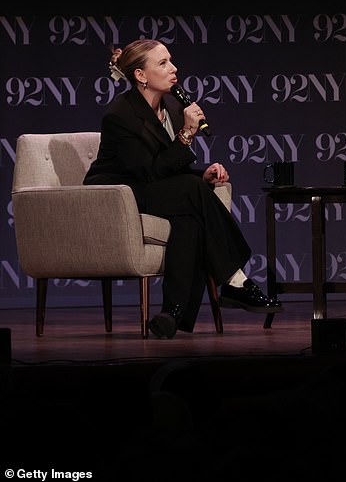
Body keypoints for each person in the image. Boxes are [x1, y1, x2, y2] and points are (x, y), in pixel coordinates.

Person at [84, 39, 282, 339]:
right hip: (119, 194)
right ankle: (234, 278)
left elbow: (168, 168)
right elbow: (149, 172)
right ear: (140, 75)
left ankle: (172, 313)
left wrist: (203, 174)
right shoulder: (121, 115)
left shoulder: (172, 107)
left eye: (171, 61)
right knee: (190, 191)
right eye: (162, 63)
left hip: (152, 187)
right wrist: (188, 133)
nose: (174, 69)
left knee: (189, 219)